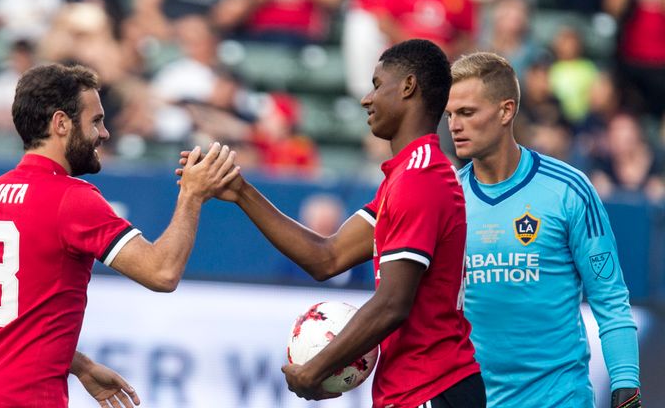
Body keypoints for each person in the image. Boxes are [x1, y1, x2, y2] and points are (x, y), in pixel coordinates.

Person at [179, 39, 485, 407]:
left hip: (433, 388)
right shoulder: (406, 176)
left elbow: (392, 304)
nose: (365, 100)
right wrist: (242, 191)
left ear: (407, 86)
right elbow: (327, 257)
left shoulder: (420, 179)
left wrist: (315, 369)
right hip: (418, 388)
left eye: (376, 84)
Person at [0, 63, 239, 407]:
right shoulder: (72, 198)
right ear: (61, 123)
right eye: (96, 120)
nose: (105, 133)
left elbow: (12, 317)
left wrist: (79, 365)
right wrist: (192, 194)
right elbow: (162, 272)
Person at [445, 51, 641, 407]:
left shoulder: (569, 189)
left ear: (506, 111)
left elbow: (610, 298)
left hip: (558, 398)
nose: (454, 125)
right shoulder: (448, 198)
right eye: (450, 115)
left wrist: (625, 382)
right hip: (475, 399)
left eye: (467, 113)